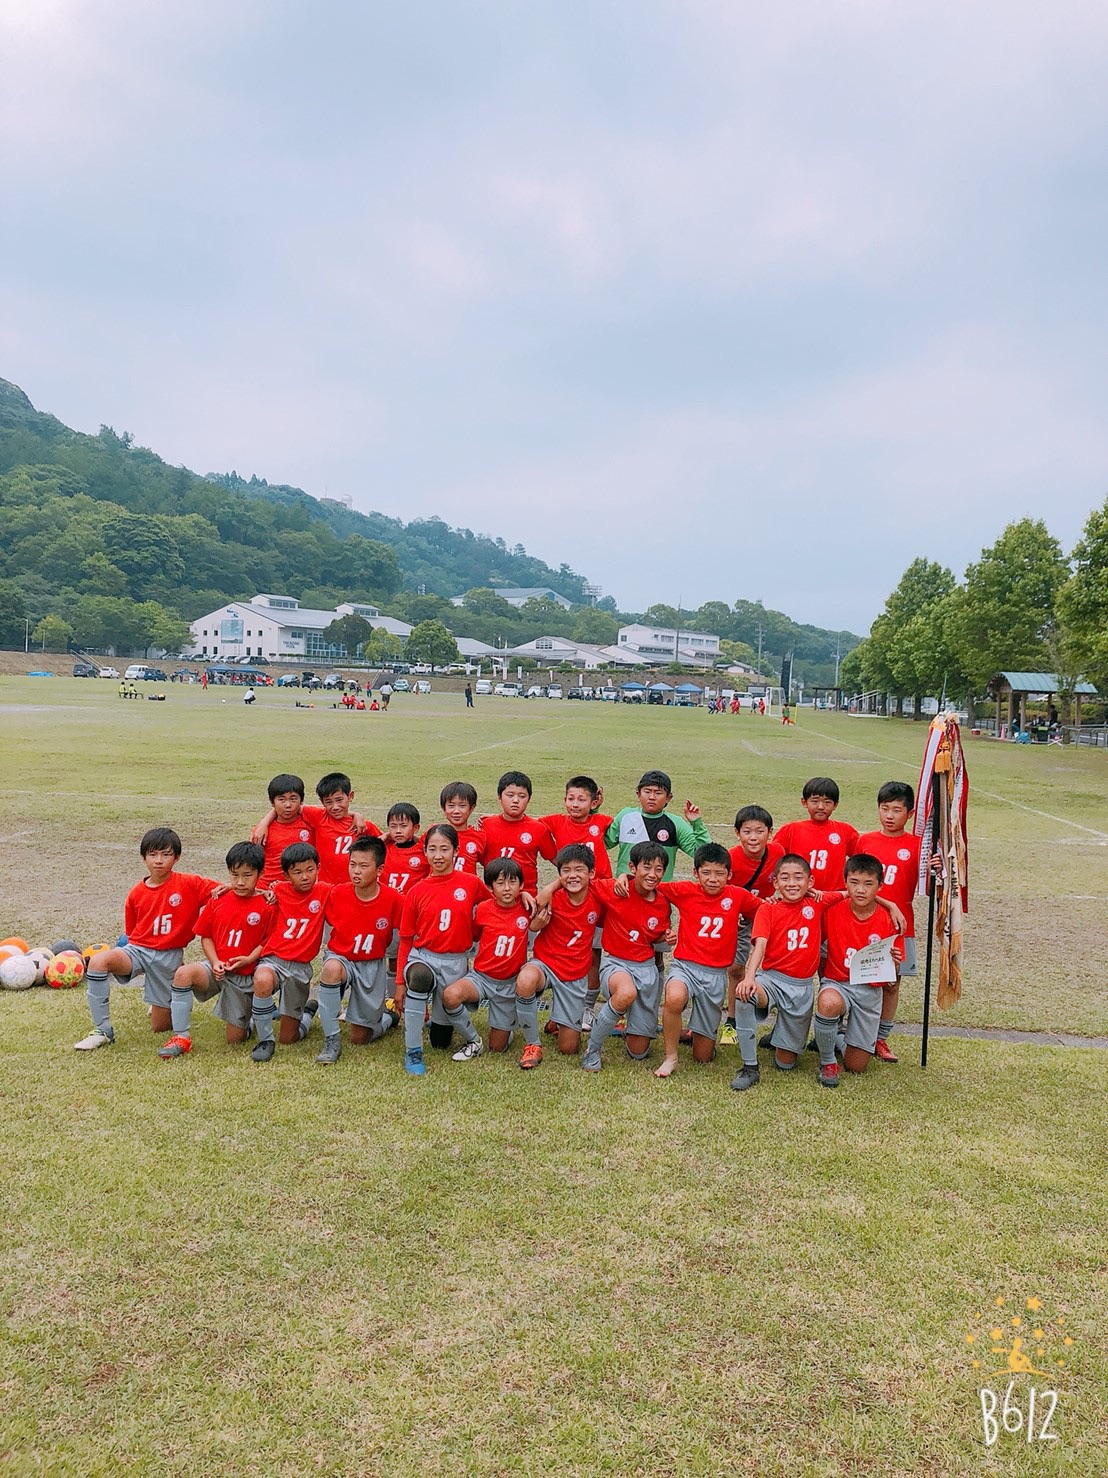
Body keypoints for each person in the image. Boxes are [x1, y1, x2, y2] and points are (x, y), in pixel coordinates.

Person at [75, 827, 219, 1050]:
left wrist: (265, 892)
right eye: (153, 855)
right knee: (98, 961)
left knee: (161, 1027)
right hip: (138, 951)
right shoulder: (135, 893)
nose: (159, 861)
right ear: (144, 858)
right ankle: (103, 1030)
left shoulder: (191, 883)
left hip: (168, 956)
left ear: (177, 857)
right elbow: (131, 933)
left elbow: (227, 891)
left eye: (166, 854)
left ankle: (171, 991)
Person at [652, 842, 762, 1078]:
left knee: (702, 1057)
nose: (713, 879)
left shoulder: (738, 896)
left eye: (720, 873)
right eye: (706, 873)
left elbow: (765, 913)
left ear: (729, 875)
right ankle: (670, 1056)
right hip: (685, 967)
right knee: (674, 997)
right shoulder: (684, 890)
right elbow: (649, 886)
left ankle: (696, 1035)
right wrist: (623, 877)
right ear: (695, 873)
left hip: (715, 975)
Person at [159, 841, 275, 1057]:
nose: (240, 882)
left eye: (247, 875)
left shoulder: (268, 904)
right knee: (184, 974)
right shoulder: (219, 898)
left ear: (261, 873)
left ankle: (250, 1017)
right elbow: (207, 936)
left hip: (244, 977)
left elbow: (268, 941)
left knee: (234, 1040)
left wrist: (249, 959)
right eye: (234, 875)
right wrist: (214, 962)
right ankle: (181, 1037)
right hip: (217, 969)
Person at [394, 824, 491, 1075]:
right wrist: (399, 984)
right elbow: (406, 940)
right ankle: (413, 1051)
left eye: (444, 849)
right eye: (432, 849)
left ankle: (434, 1023)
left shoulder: (471, 883)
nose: (438, 855)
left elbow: (495, 906)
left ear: (456, 851)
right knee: (420, 977)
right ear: (424, 852)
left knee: (440, 1041)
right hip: (423, 957)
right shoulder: (416, 892)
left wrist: (522, 896)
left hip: (455, 962)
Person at [581, 841, 672, 1071]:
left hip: (646, 968)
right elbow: (582, 881)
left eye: (659, 869)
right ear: (633, 867)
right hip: (616, 963)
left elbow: (654, 938)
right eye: (647, 867)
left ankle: (624, 1024)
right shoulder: (617, 890)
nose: (652, 874)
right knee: (625, 992)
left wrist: (666, 938)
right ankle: (592, 1049)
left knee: (638, 1053)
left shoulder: (662, 903)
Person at [813, 855, 903, 1088]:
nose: (860, 889)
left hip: (869, 991)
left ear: (880, 886)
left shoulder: (890, 918)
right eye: (854, 882)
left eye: (868, 884)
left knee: (857, 1066)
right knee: (828, 1002)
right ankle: (828, 1062)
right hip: (839, 983)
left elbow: (892, 970)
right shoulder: (832, 909)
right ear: (845, 882)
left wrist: (894, 965)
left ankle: (839, 1038)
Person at [315, 835, 403, 1064]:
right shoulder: (335, 893)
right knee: (331, 968)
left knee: (360, 1037)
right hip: (341, 957)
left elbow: (406, 939)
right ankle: (331, 1039)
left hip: (372, 964)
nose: (356, 871)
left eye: (364, 866)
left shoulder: (393, 899)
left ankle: (387, 1019)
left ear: (379, 869)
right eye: (352, 864)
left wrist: (401, 981)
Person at [441, 858, 534, 1059]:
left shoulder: (527, 908)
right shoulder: (482, 909)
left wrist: (527, 895)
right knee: (450, 995)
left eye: (512, 882)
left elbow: (545, 901)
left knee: (497, 1048)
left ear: (521, 884)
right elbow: (473, 935)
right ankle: (473, 1041)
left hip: (508, 984)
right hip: (481, 978)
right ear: (490, 887)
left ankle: (506, 1028)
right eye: (500, 883)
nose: (507, 888)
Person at [857, 781, 922, 1064]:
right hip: (864, 919)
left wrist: (936, 868)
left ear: (909, 813)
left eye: (897, 810)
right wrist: (885, 903)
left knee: (892, 983)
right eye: (885, 809)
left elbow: (931, 887)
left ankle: (880, 1039)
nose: (890, 815)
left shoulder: (918, 846)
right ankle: (851, 1034)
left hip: (901, 924)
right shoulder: (864, 841)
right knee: (857, 978)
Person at [540, 775, 614, 1025]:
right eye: (571, 798)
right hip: (571, 896)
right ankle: (561, 1004)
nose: (575, 804)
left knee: (594, 951)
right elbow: (528, 826)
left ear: (593, 803)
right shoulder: (555, 821)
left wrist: (598, 806)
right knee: (572, 945)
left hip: (599, 897)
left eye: (582, 799)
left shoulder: (601, 821)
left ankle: (587, 1006)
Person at [520, 844, 603, 1061]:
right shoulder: (551, 897)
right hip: (546, 965)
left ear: (591, 873)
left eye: (579, 870)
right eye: (565, 870)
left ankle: (556, 1021)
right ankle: (532, 1045)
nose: (572, 875)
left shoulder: (599, 894)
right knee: (526, 979)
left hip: (574, 975)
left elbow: (626, 884)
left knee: (569, 1048)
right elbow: (532, 926)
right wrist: (536, 923)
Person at [250, 842, 331, 1061]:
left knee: (289, 1037)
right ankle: (265, 1039)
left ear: (318, 868)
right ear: (286, 875)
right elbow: (251, 890)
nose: (305, 877)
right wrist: (226, 887)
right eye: (297, 872)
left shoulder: (325, 891)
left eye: (310, 870)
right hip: (274, 960)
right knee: (262, 979)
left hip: (300, 967)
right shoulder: (277, 890)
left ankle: (306, 1014)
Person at [722, 805, 785, 1043]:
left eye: (759, 831)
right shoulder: (731, 858)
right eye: (747, 831)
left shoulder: (778, 852)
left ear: (770, 832)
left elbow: (789, 877)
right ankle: (731, 1022)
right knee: (735, 969)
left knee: (776, 969)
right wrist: (733, 911)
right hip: (740, 919)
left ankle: (781, 1027)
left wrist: (777, 897)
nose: (753, 837)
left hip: (769, 918)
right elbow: (722, 888)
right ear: (737, 833)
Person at [605, 770, 710, 881]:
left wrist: (697, 823)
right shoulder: (625, 816)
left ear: (668, 798)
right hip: (626, 891)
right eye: (647, 791)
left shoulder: (675, 823)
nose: (652, 797)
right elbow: (601, 843)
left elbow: (704, 855)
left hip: (660, 893)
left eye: (658, 793)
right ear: (638, 794)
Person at [774, 777, 859, 893]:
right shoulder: (790, 830)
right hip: (800, 896)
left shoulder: (846, 831)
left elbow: (862, 862)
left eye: (827, 802)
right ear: (804, 802)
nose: (821, 806)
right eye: (815, 801)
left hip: (834, 896)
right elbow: (772, 860)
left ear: (835, 805)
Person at [479, 771, 556, 894]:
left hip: (527, 898)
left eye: (522, 796)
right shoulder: (486, 825)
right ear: (499, 796)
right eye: (510, 795)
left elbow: (558, 861)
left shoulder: (539, 829)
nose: (515, 800)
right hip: (493, 898)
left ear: (529, 799)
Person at [254, 774, 315, 887]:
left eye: (293, 799)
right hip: (267, 890)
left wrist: (355, 815)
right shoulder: (261, 831)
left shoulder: (312, 824)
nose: (288, 805)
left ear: (301, 800)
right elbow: (253, 864)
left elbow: (332, 815)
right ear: (272, 802)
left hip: (300, 889)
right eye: (281, 799)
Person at [436, 781, 488, 875]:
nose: (456, 811)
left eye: (462, 806)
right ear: (444, 808)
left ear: (472, 808)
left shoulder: (479, 836)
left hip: (468, 889)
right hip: (439, 888)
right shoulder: (434, 834)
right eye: (451, 806)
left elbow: (491, 863)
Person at [381, 802, 429, 895]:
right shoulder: (384, 848)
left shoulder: (423, 850)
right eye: (393, 826)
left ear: (415, 828)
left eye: (403, 826)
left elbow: (436, 831)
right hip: (388, 902)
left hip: (413, 904)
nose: (398, 831)